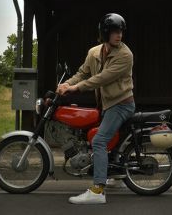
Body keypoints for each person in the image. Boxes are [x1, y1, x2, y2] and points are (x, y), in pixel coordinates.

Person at [57, 13, 135, 205]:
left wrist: (76, 88)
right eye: (115, 32)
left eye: (121, 31)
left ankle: (98, 190)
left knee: (99, 141)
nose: (119, 35)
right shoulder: (94, 52)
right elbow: (82, 73)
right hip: (107, 105)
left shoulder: (125, 55)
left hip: (121, 104)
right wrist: (66, 84)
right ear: (105, 33)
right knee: (103, 140)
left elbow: (102, 78)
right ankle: (116, 177)